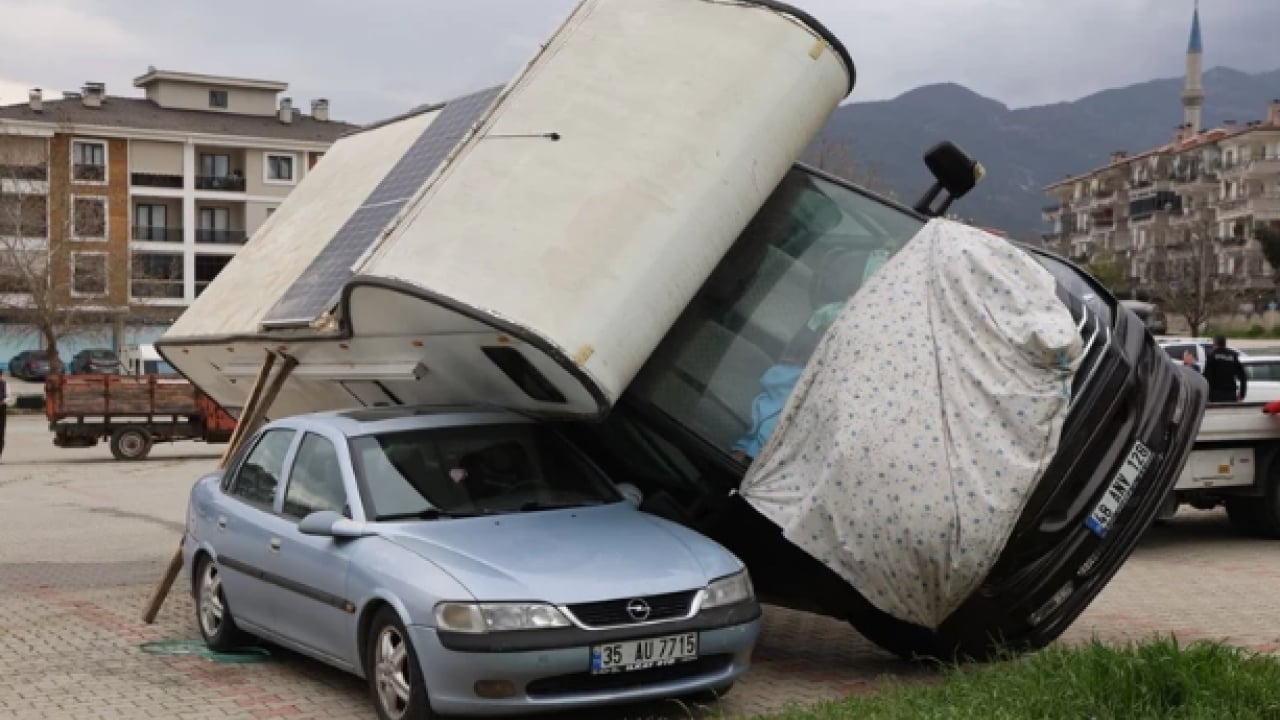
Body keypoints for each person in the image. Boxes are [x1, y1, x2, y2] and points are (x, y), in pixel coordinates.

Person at [1201, 335, 1248, 403]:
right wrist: (1242, 393)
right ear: (1225, 343)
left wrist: (1207, 395)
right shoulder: (1233, 356)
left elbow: (1207, 377)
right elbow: (1242, 376)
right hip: (1231, 393)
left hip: (1216, 393)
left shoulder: (1212, 356)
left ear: (1215, 343)